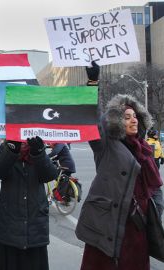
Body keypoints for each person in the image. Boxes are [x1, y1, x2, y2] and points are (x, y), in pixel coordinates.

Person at [75, 63, 164, 270]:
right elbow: (93, 120)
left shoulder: (146, 149)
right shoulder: (107, 145)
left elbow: (155, 187)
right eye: (127, 117)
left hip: (138, 228)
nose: (133, 120)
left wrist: (155, 211)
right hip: (109, 227)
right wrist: (93, 83)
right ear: (117, 122)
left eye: (135, 116)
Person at [0, 137, 58, 270]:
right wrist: (12, 149)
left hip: (35, 225)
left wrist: (38, 153)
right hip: (10, 226)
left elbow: (49, 175)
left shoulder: (38, 147)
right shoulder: (7, 146)